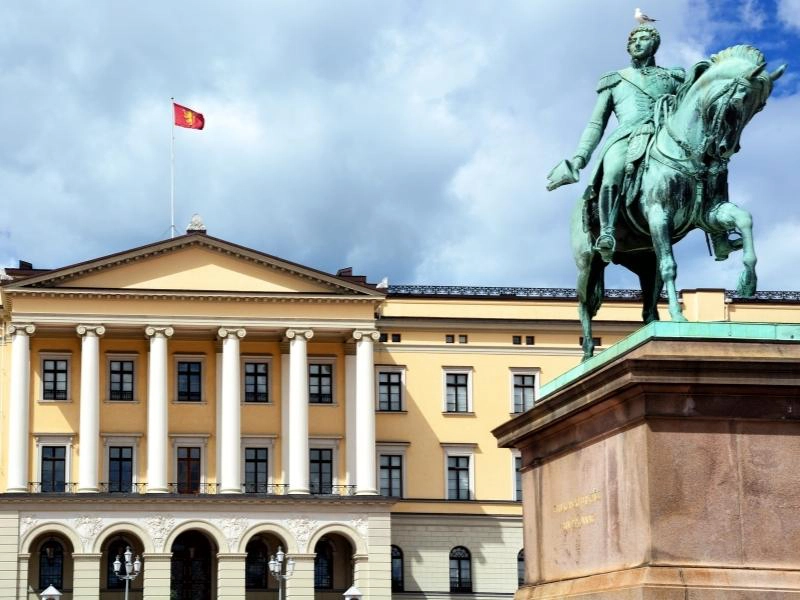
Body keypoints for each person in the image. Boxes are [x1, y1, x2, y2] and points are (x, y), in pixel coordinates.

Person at [548, 25, 685, 262]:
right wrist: (579, 159)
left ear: (655, 45)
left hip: (664, 136)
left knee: (704, 167)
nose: (638, 44)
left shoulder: (673, 78)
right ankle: (608, 232)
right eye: (634, 41)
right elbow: (596, 123)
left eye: (644, 39)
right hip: (627, 136)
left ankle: (718, 233)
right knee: (613, 173)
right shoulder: (615, 80)